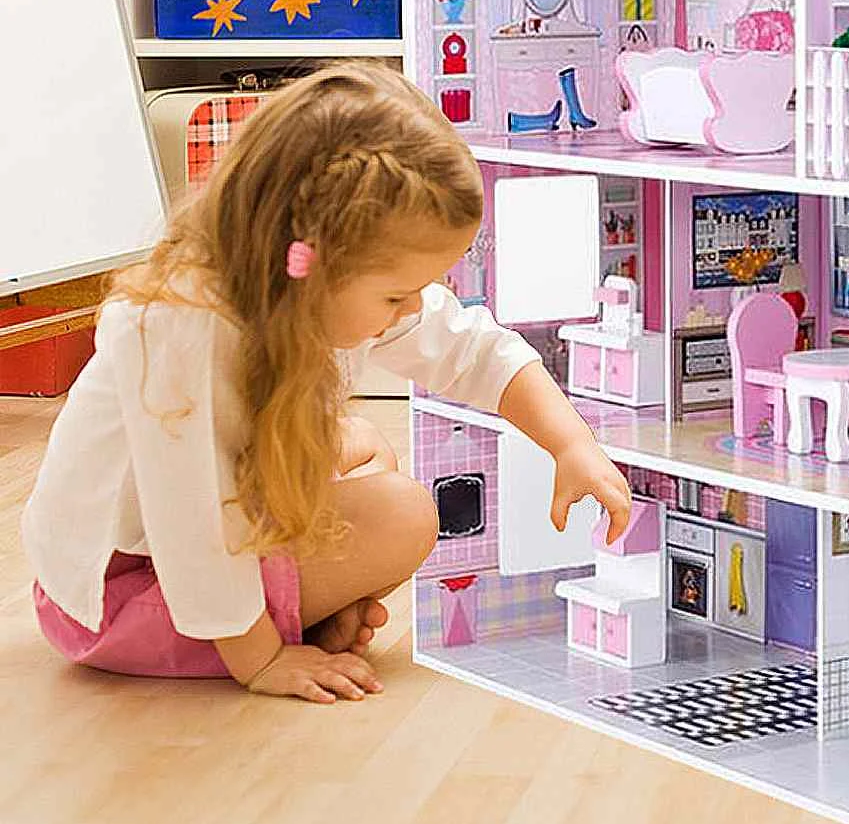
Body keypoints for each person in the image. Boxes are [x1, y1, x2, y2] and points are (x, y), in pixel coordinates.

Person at [22, 62, 631, 703]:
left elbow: (470, 348)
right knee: (404, 513)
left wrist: (570, 443)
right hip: (121, 594)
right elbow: (193, 525)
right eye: (396, 294)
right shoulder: (180, 330)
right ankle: (274, 626)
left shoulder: (303, 283)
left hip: (192, 550)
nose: (413, 309)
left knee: (365, 445)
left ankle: (302, 612)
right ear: (315, 260)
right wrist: (262, 661)